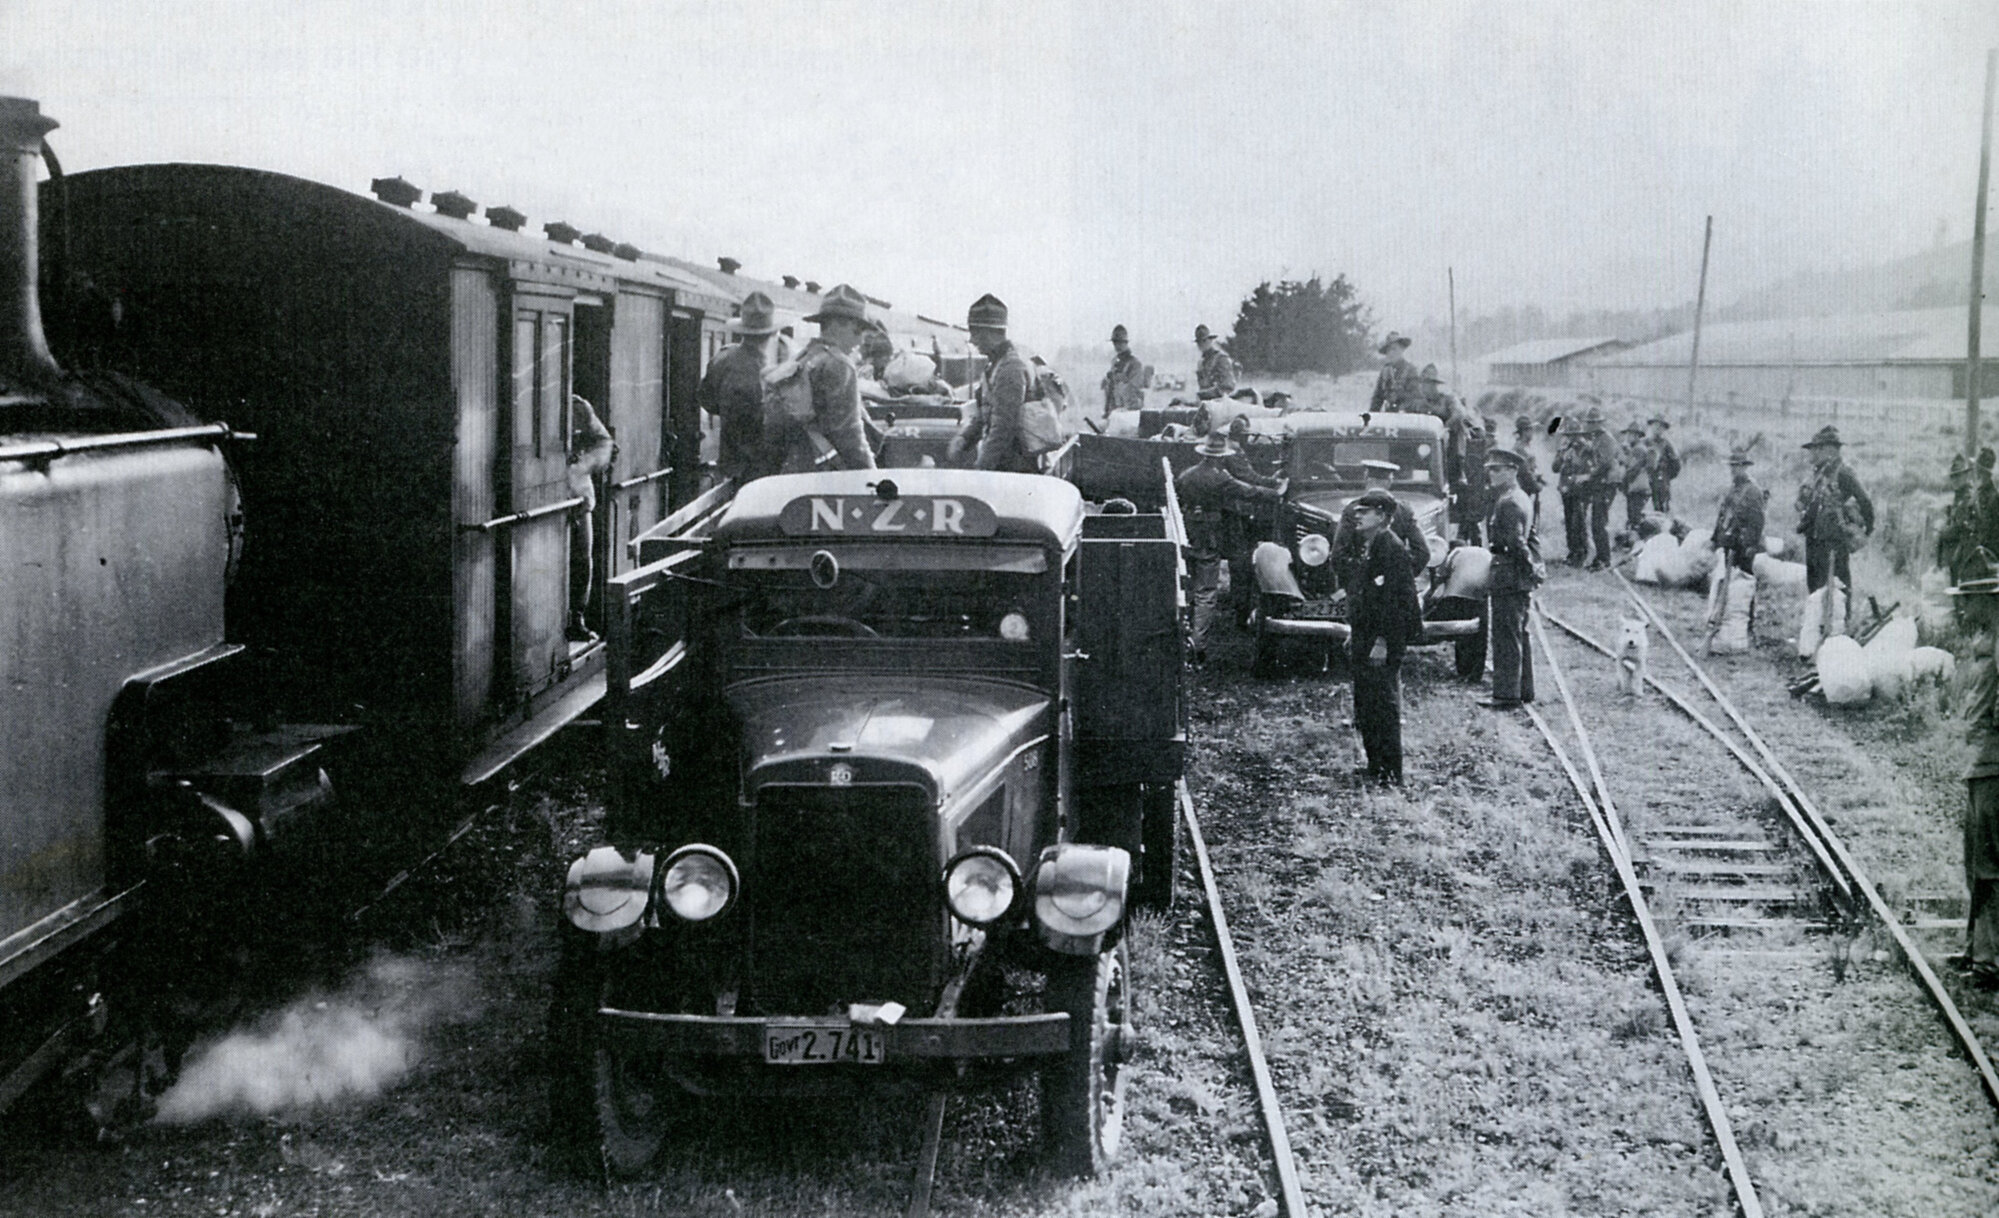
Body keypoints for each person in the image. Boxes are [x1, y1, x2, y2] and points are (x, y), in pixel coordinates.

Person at [1176, 431, 1283, 664]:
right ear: (1221, 456)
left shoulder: (1186, 475)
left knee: (1187, 588)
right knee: (1206, 592)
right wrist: (1276, 493)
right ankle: (1198, 646)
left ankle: (1183, 637)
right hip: (1209, 538)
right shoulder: (1220, 478)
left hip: (1186, 534)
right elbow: (1248, 491)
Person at [1345, 488, 1423, 785]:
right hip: (1368, 635)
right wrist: (1356, 633)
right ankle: (1375, 765)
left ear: (1382, 516)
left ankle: (1389, 773)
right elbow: (1367, 598)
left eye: (1365, 512)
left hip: (1383, 639)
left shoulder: (1390, 548)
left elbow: (1393, 603)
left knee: (1382, 706)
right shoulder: (1374, 544)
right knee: (1367, 703)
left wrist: (1381, 642)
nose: (1358, 515)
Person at [1947, 559, 1999, 990]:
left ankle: (1991, 961)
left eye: (1971, 600)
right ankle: (1976, 949)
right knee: (1976, 862)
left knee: (1990, 864)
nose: (1964, 608)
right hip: (1981, 761)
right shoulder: (1989, 638)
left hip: (1994, 765)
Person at [766, 283, 878, 473]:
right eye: (857, 331)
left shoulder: (803, 357)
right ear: (839, 324)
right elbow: (849, 435)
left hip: (791, 468)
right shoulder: (840, 364)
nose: (859, 341)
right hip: (824, 475)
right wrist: (872, 476)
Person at [950, 293, 1038, 472]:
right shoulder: (996, 365)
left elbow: (1003, 427)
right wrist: (964, 438)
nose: (972, 340)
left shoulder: (1010, 368)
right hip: (1004, 463)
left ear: (990, 332)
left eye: (975, 332)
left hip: (1015, 467)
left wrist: (983, 468)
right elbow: (985, 413)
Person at [698, 290, 779, 484]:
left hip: (728, 463)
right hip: (758, 470)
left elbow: (706, 400)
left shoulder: (723, 358)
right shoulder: (765, 373)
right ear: (772, 334)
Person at [1481, 448, 1540, 709]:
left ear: (1513, 470)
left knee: (1506, 636)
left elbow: (1517, 543)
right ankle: (1523, 689)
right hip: (1515, 575)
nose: (1492, 473)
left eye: (1498, 469)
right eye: (1490, 469)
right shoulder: (1520, 497)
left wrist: (1530, 569)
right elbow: (1530, 539)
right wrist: (1534, 570)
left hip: (1508, 575)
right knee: (1518, 633)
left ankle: (1506, 695)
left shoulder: (1509, 502)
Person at [1795, 424, 1873, 607]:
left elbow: (1865, 501)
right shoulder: (1818, 474)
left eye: (1815, 450)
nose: (1811, 454)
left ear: (1827, 450)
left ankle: (1840, 627)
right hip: (1814, 540)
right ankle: (1818, 626)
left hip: (1833, 542)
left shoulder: (1843, 473)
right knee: (1815, 587)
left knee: (1838, 587)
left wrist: (1867, 529)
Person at [1331, 459, 1429, 590]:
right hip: (1395, 592)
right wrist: (1402, 576)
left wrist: (1359, 580)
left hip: (1362, 592)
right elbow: (1423, 552)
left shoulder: (1352, 509)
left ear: (1366, 477)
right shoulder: (1405, 510)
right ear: (1390, 481)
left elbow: (1338, 555)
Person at [567, 393, 616, 641]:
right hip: (548, 498)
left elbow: (603, 442)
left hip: (578, 500)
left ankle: (576, 617)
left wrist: (583, 465)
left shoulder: (578, 406)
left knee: (581, 561)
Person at [1551, 405, 1617, 569]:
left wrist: (1587, 476)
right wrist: (1561, 454)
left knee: (1587, 525)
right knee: (1573, 524)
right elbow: (1556, 467)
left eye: (1574, 434)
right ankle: (1577, 554)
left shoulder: (1599, 442)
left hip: (1589, 489)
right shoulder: (1573, 446)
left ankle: (1595, 558)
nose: (1571, 438)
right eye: (1568, 435)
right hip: (1571, 488)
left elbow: (1602, 464)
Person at [1712, 447, 1767, 575]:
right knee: (1728, 577)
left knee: (1743, 580)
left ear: (1744, 468)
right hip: (1730, 541)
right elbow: (1723, 514)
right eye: (1732, 466)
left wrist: (1751, 546)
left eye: (1736, 466)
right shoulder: (1732, 489)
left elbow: (1757, 522)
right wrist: (1716, 538)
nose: (1733, 470)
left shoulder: (1753, 491)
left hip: (1744, 545)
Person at [1937, 452, 1981, 582]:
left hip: (1965, 550)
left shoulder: (1966, 496)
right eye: (1953, 477)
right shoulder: (1959, 496)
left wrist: (1942, 532)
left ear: (1966, 476)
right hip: (1957, 550)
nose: (1955, 480)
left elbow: (1960, 527)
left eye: (1958, 476)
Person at [1616, 421, 1655, 536]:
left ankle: (1638, 543)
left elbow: (1633, 470)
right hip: (1636, 489)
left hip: (1637, 489)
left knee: (1635, 518)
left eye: (1631, 434)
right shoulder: (1636, 449)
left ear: (1637, 436)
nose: (1627, 437)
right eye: (1627, 434)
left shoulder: (1638, 449)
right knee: (1634, 517)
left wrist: (1622, 482)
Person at [1101, 323, 1147, 417]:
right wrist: (1108, 410)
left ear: (1125, 343)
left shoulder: (1135, 364)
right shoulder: (1114, 362)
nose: (1117, 346)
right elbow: (1111, 390)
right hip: (1116, 410)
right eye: (1115, 342)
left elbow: (1135, 388)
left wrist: (1122, 379)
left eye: (1120, 342)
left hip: (1131, 410)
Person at [1370, 331, 1420, 413]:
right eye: (1388, 350)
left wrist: (1399, 397)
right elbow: (1377, 398)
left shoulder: (1411, 370)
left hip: (1408, 416)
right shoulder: (1385, 371)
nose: (1391, 353)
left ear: (1402, 350)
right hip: (1390, 416)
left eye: (1394, 349)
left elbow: (1416, 397)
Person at [1645, 415, 1680, 513]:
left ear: (1664, 429)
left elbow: (1676, 465)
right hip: (1646, 480)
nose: (1657, 428)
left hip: (1661, 480)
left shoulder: (1668, 444)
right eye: (1655, 425)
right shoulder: (1645, 442)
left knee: (1661, 508)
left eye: (1660, 426)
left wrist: (1666, 476)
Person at [1194, 324, 1236, 401]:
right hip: (1205, 402)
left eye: (1204, 341)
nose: (1201, 344)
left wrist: (1203, 394)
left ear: (1210, 340)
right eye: (1199, 342)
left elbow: (1228, 386)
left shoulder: (1221, 359)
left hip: (1220, 403)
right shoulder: (1202, 362)